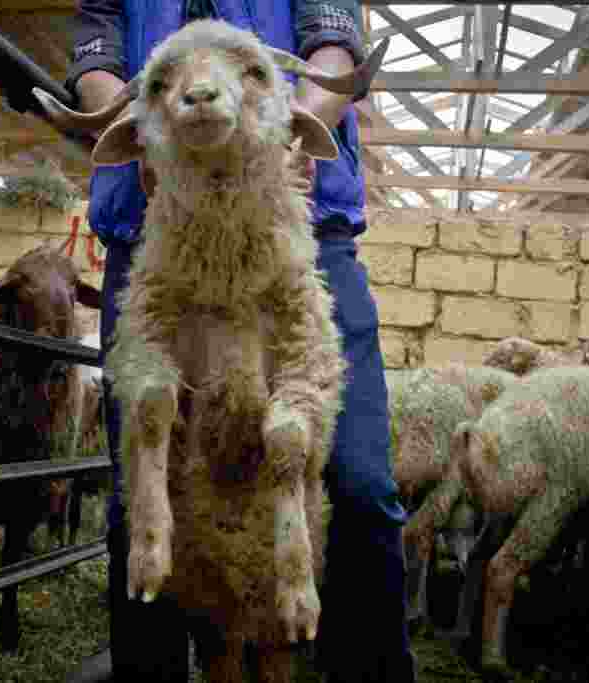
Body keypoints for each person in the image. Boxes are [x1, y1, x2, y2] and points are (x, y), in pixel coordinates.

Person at [63, 1, 416, 681]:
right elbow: (98, 57)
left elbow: (334, 41)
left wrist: (286, 127)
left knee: (360, 482)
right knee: (143, 486)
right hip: (158, 234)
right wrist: (147, 123)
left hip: (298, 226)